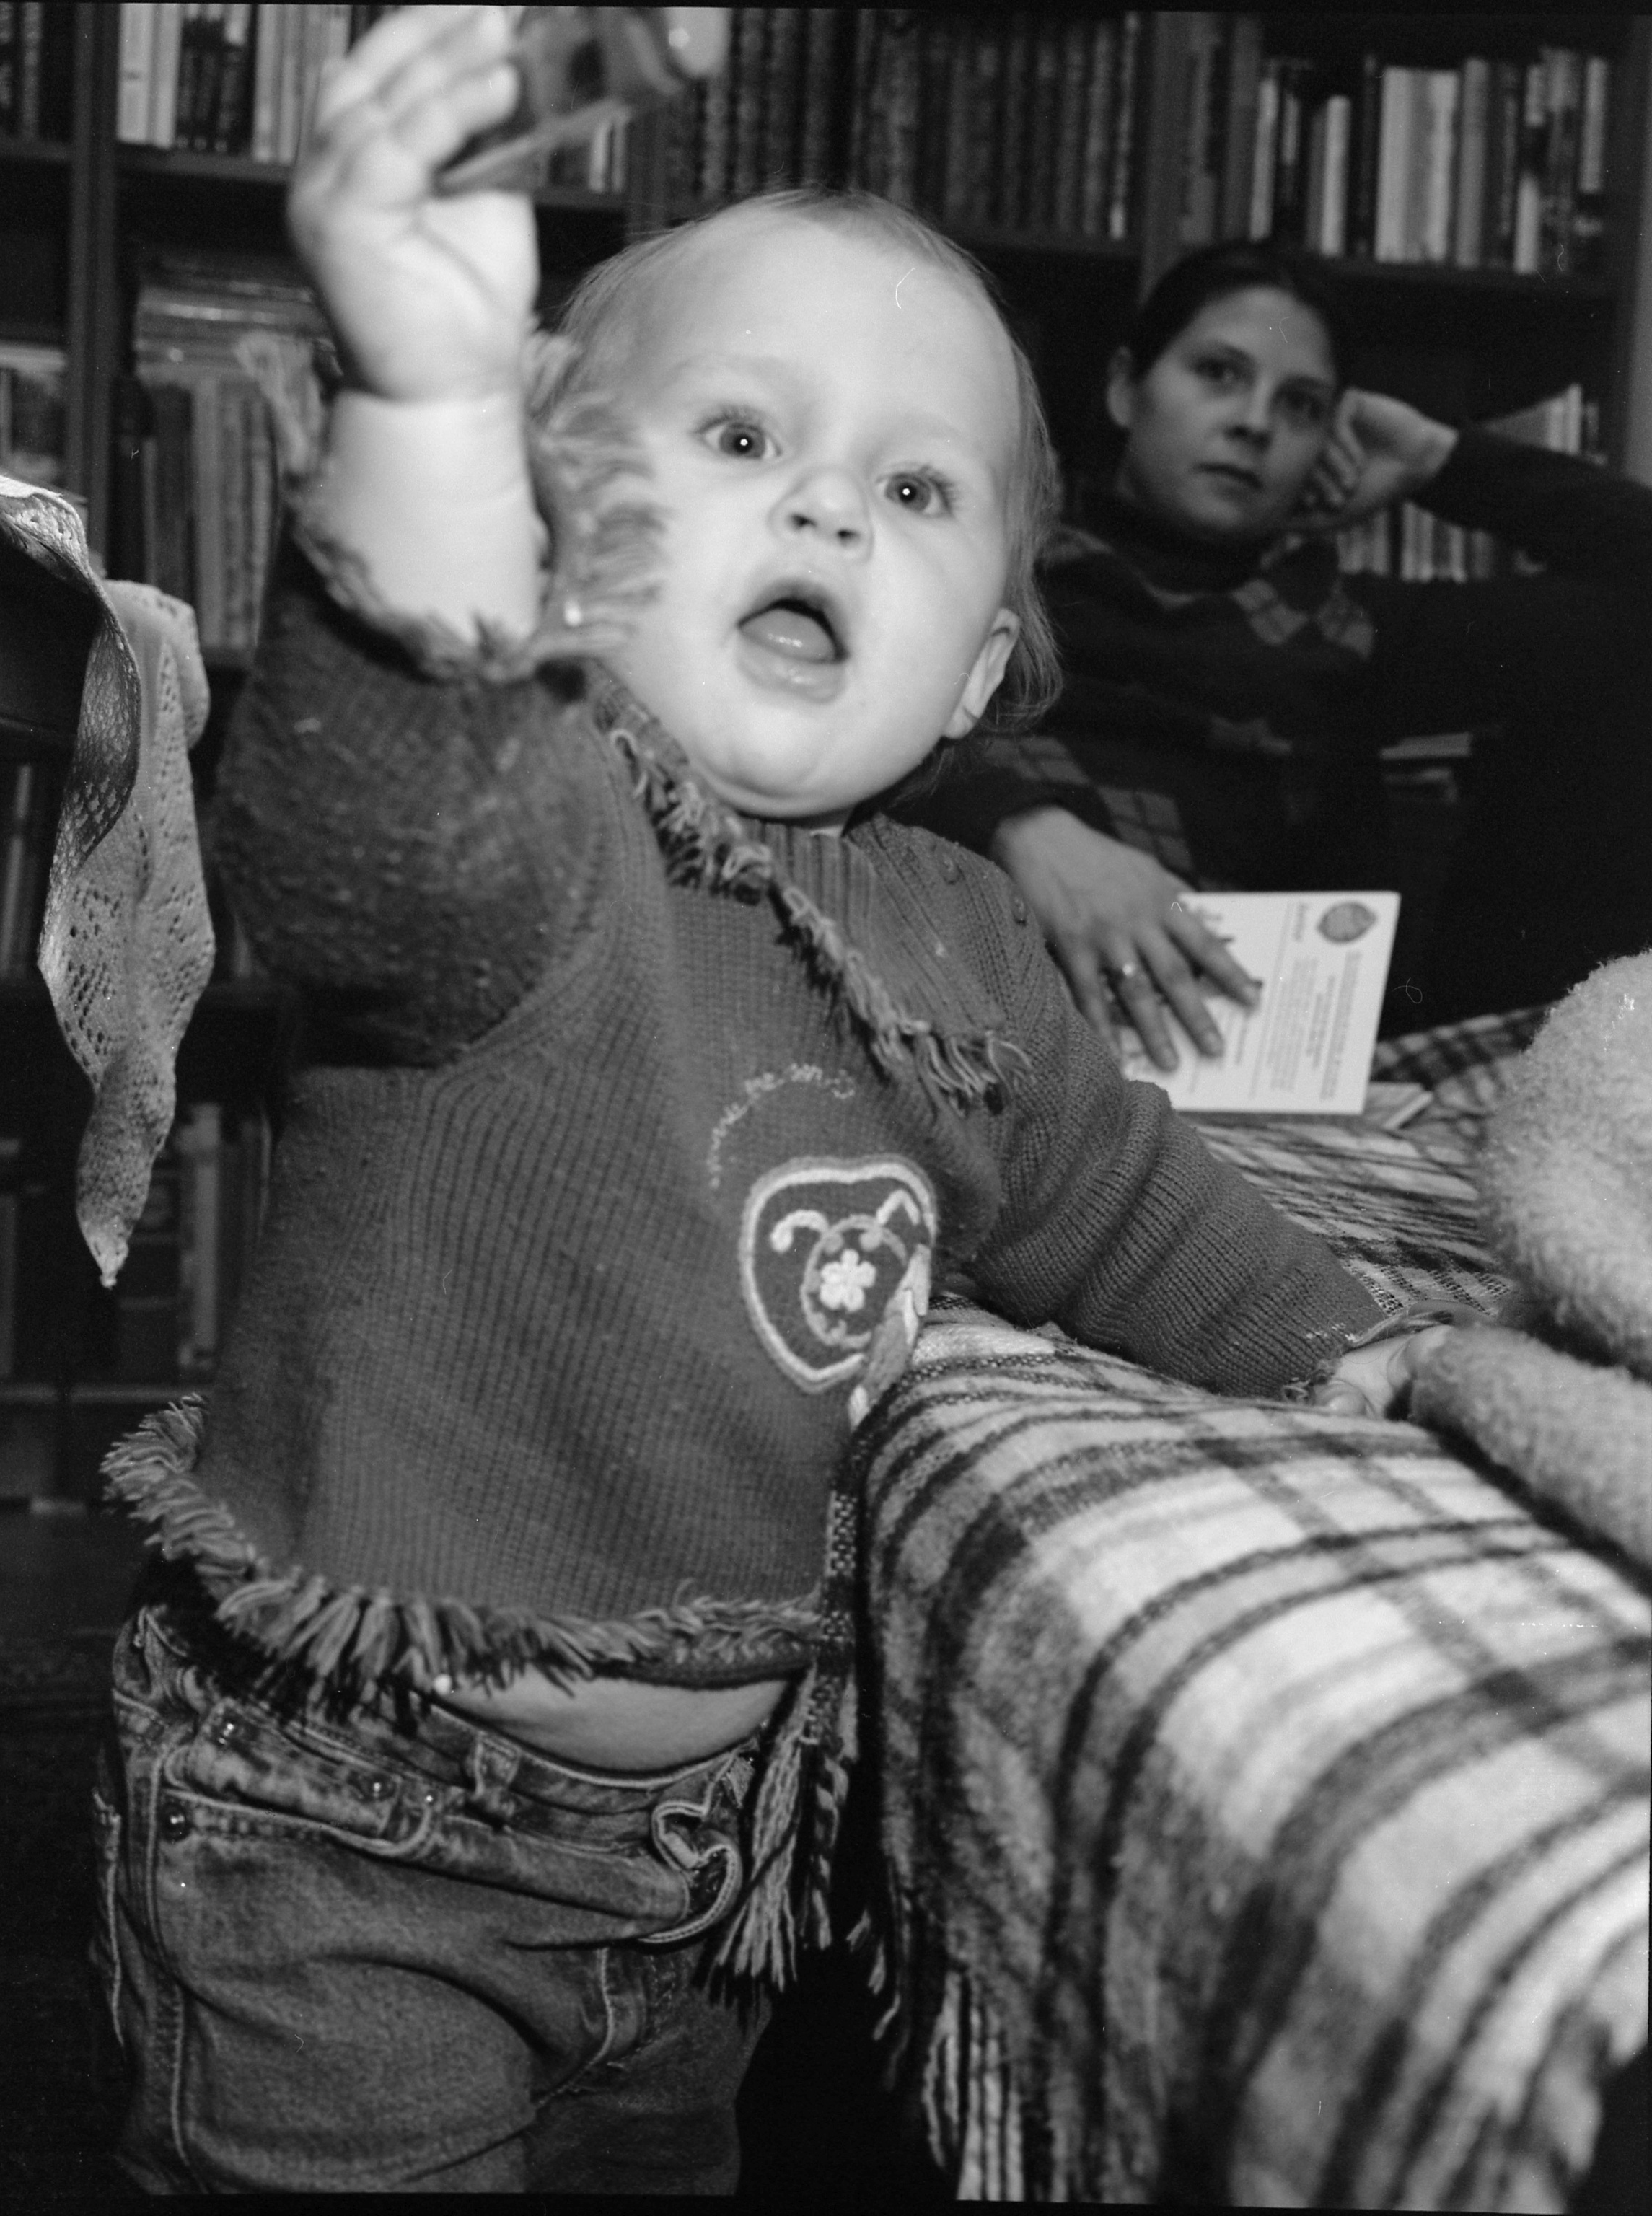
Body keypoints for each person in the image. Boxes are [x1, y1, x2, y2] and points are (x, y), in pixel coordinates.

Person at [89, 12, 1452, 2195]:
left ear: (977, 667)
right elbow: (356, 842)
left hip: (711, 1873)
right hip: (344, 1831)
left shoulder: (959, 925)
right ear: (555, 526)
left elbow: (1112, 1195)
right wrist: (428, 419)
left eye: (914, 491)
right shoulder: (531, 814)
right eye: (739, 434)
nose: (825, 501)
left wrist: (1354, 1343)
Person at [894, 239, 1652, 1069]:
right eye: (1219, 372)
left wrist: (1439, 460)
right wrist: (1019, 824)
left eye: (1300, 406)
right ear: (1125, 387)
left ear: (1329, 442)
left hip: (1244, 1053)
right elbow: (855, 719)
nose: (1254, 422)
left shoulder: (1345, 627)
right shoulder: (989, 568)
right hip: (966, 1004)